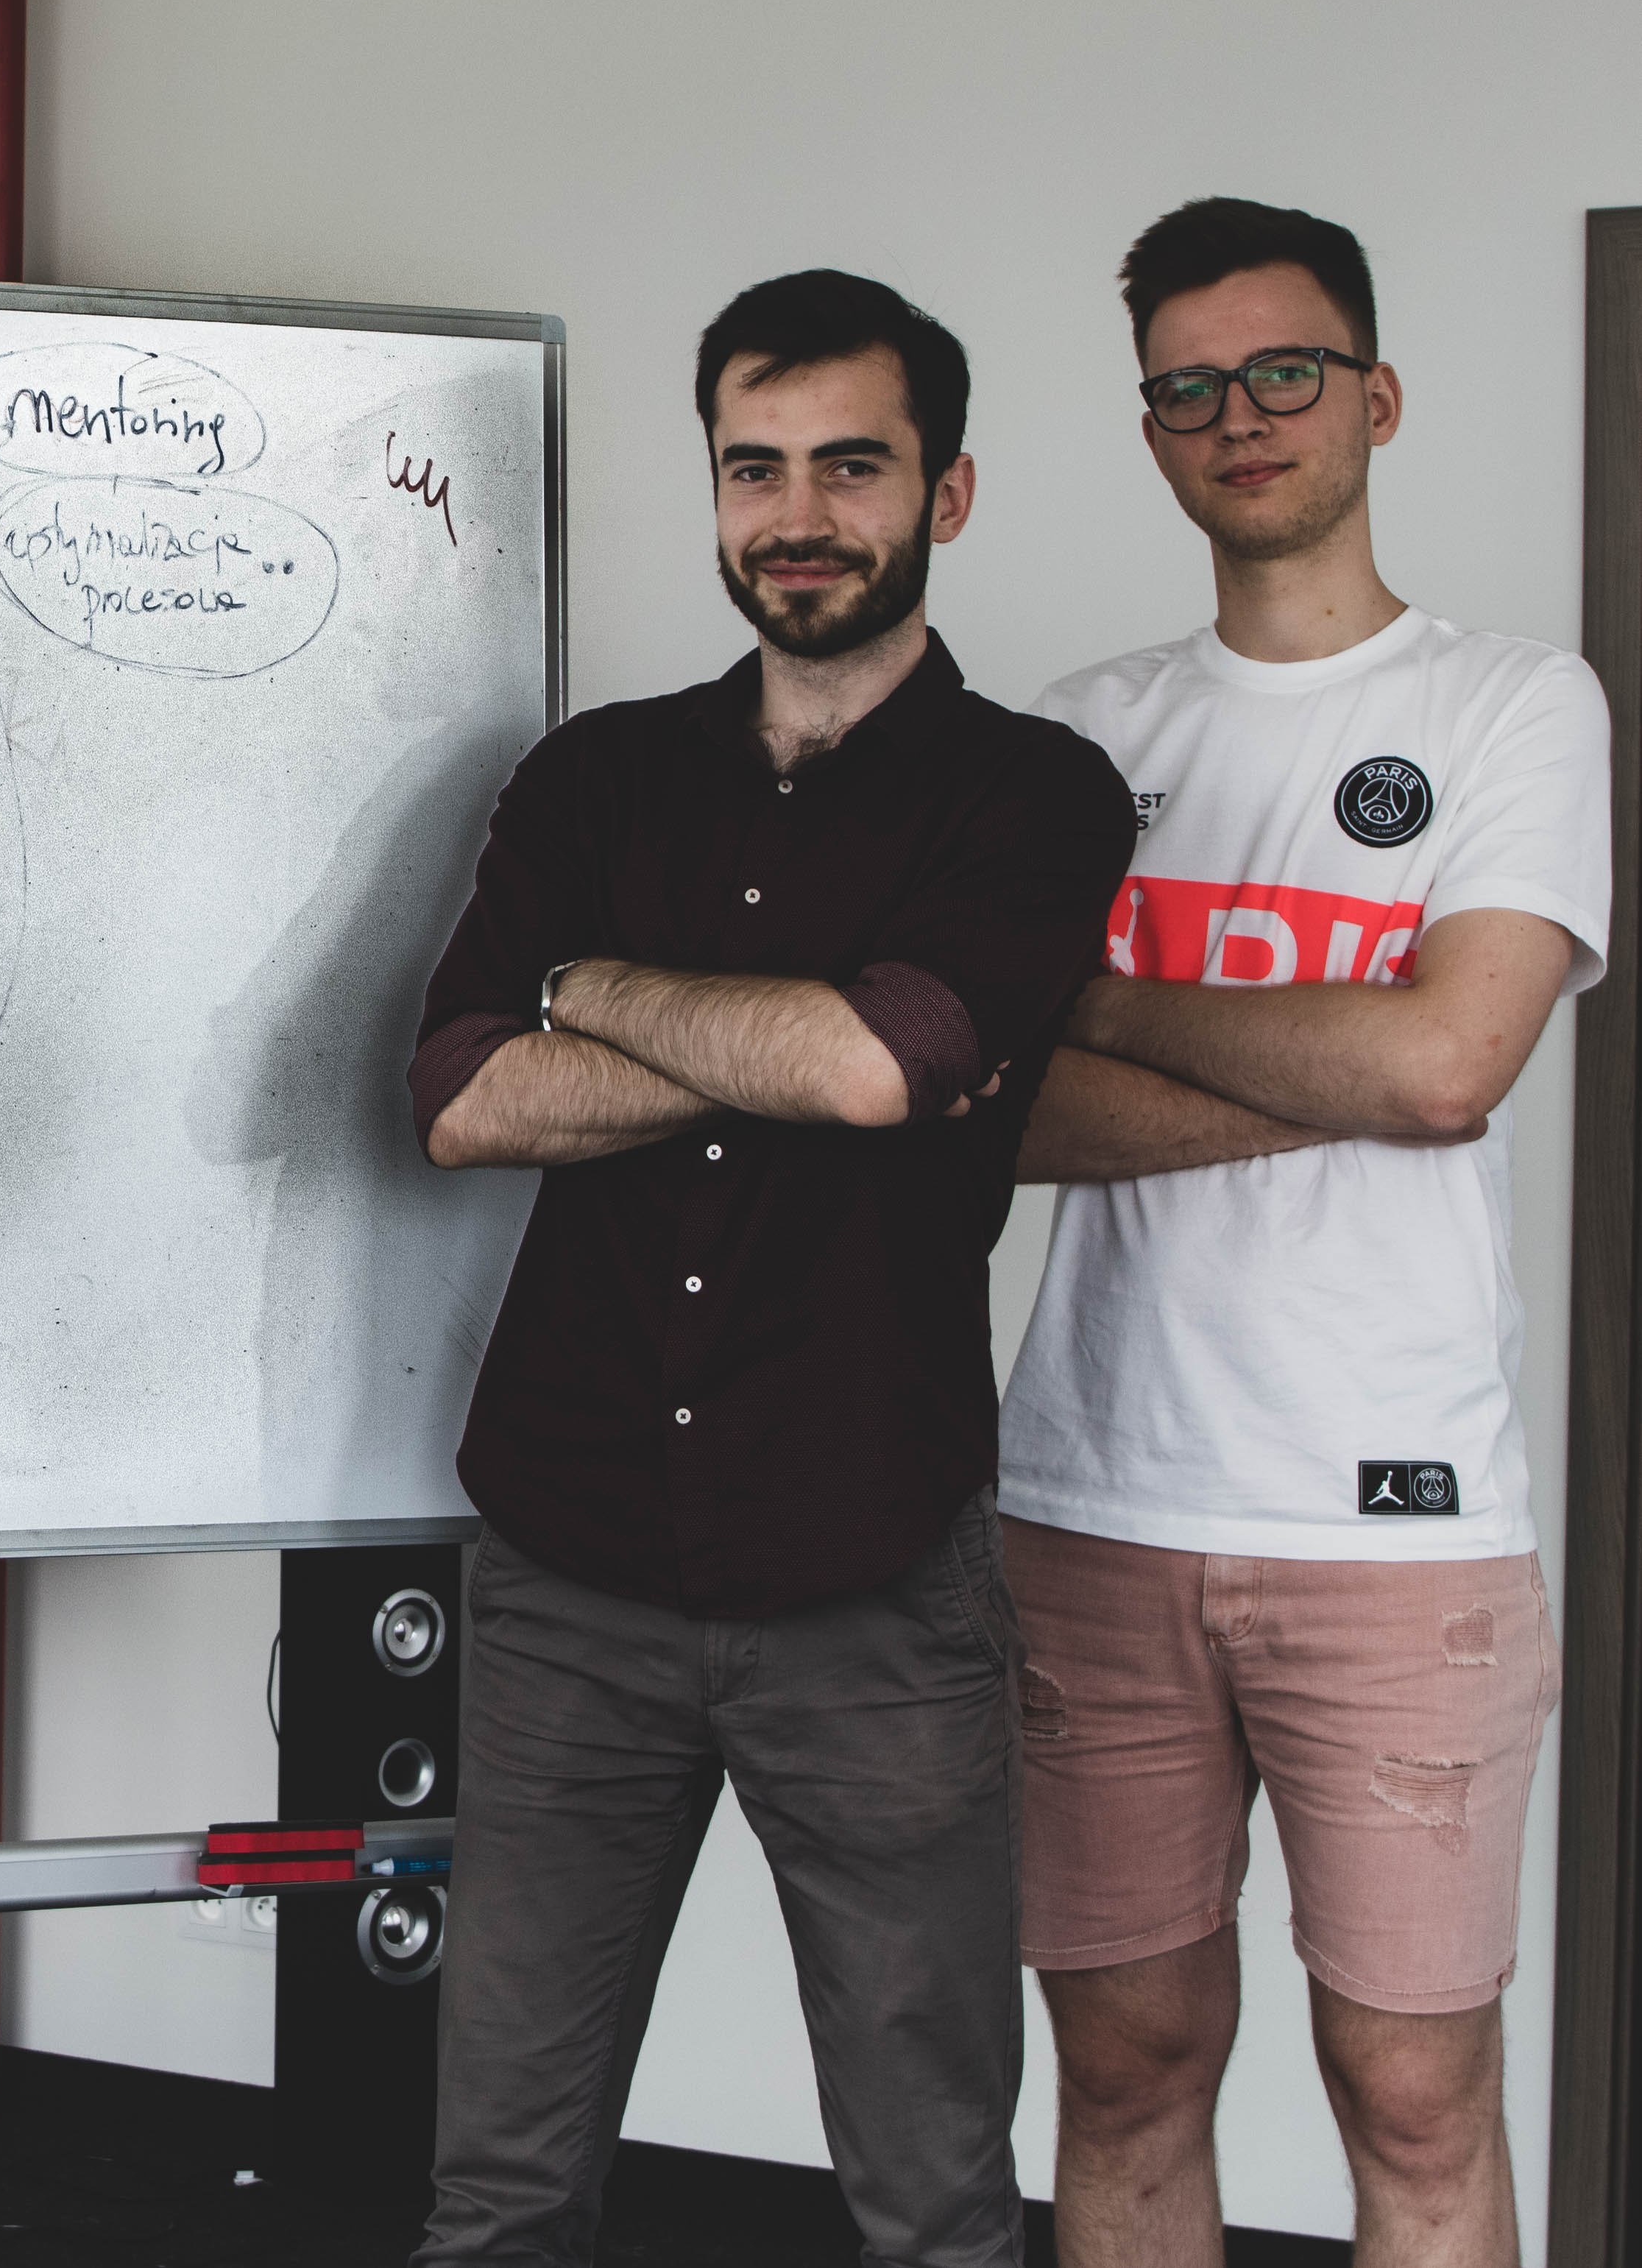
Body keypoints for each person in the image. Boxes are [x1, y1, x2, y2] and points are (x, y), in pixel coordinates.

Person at [403, 270, 1139, 2267]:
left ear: (946, 493)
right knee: (498, 2181)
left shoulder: (1033, 792)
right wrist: (785, 1033)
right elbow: (461, 1098)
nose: (796, 515)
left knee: (931, 2192)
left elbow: (879, 1064)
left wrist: (586, 984)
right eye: (754, 468)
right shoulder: (595, 778)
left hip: (869, 1572)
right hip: (565, 1566)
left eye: (849, 466)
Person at [1000, 199, 1602, 2268]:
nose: (1237, 415)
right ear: (1150, 429)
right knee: (1122, 2071)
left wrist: (1100, 1001)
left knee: (1414, 2096)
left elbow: (1448, 1066)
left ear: (1375, 396)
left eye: (1282, 371)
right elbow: (998, 1119)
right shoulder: (1077, 736)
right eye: (1187, 387)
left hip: (1399, 1528)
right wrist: (1336, 1054)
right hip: (1093, 1504)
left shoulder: (1515, 705)